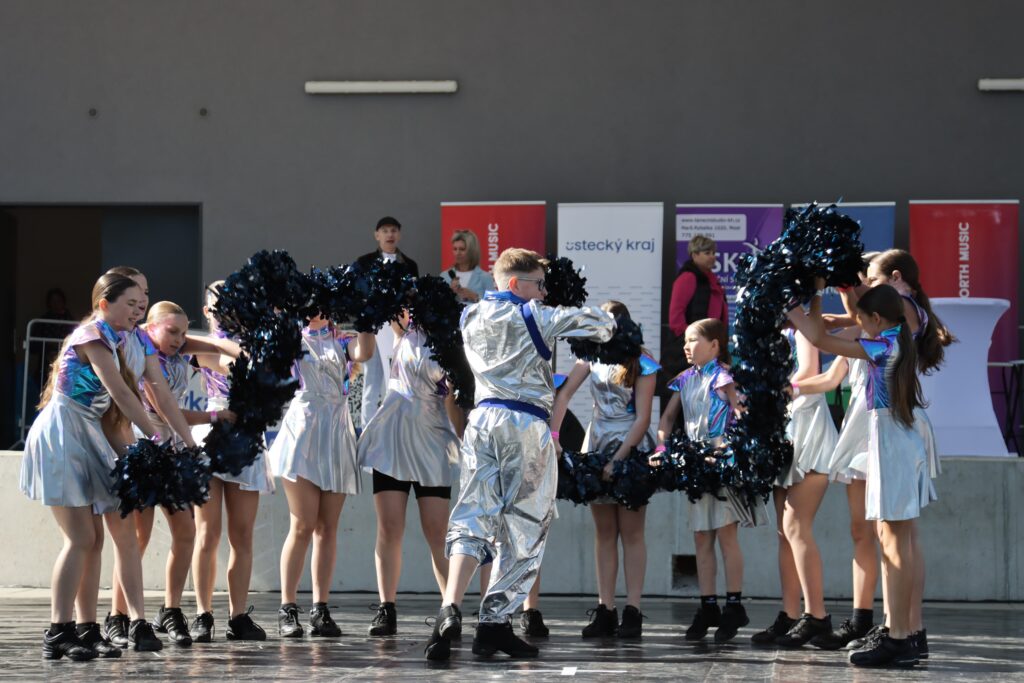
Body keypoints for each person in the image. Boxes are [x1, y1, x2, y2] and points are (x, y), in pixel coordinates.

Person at [424, 248, 615, 661]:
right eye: (539, 285)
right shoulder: (535, 315)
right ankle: (493, 622)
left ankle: (450, 607)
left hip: (481, 421)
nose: (544, 292)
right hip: (524, 425)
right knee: (524, 524)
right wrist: (574, 306)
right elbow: (604, 326)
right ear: (515, 284)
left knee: (472, 514)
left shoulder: (470, 316)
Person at [788, 282, 932, 667]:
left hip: (890, 443)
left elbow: (819, 339)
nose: (859, 325)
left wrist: (802, 302)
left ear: (877, 319)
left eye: (863, 320)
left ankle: (899, 638)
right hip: (896, 440)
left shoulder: (881, 345)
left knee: (894, 542)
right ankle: (901, 632)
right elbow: (830, 331)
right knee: (894, 540)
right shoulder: (896, 337)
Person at [21, 273, 164, 660]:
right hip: (63, 436)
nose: (138, 310)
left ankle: (86, 629)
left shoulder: (115, 341)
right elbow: (121, 394)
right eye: (130, 303)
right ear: (103, 304)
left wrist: (141, 453)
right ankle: (58, 631)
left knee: (95, 539)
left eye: (140, 303)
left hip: (85, 436)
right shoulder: (91, 336)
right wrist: (157, 438)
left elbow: (114, 416)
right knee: (80, 539)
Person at [129, 301, 239, 646]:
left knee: (186, 532)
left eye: (183, 332)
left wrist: (230, 348)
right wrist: (205, 425)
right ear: (150, 329)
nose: (178, 339)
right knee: (137, 537)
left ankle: (172, 609)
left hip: (172, 450)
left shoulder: (179, 351)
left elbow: (221, 350)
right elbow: (166, 409)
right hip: (145, 448)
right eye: (171, 332)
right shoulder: (144, 353)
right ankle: (122, 615)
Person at [551, 301, 659, 639]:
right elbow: (563, 395)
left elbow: (643, 418)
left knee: (632, 532)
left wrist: (619, 460)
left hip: (630, 444)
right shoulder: (590, 356)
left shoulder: (643, 361)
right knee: (604, 532)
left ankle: (633, 610)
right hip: (597, 441)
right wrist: (554, 437)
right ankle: (605, 609)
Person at [655, 318, 766, 643]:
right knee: (701, 537)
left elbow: (743, 414)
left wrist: (732, 450)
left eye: (693, 340)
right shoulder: (685, 379)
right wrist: (662, 448)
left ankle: (734, 604)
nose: (687, 347)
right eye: (685, 341)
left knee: (727, 536)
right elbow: (668, 418)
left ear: (715, 345)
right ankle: (708, 606)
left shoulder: (725, 377)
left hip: (721, 463)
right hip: (696, 465)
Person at [358, 309, 464, 636]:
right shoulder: (399, 333)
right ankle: (386, 608)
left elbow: (455, 407)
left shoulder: (449, 343)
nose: (409, 310)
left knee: (437, 531)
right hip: (391, 438)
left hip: (432, 443)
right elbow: (385, 308)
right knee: (389, 527)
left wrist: (462, 434)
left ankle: (450, 609)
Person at [269, 316, 375, 638]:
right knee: (302, 524)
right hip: (302, 431)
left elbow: (365, 352)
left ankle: (320, 608)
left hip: (337, 431)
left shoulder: (342, 339)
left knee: (327, 528)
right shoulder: (291, 337)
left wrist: (370, 315)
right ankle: (287, 608)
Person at [190, 282, 276, 642]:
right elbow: (235, 366)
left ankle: (238, 616)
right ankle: (203, 613)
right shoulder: (203, 344)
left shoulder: (255, 341)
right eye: (220, 304)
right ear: (207, 311)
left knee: (242, 534)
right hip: (213, 433)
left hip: (247, 438)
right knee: (207, 532)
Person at [750, 328, 837, 646]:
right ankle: (790, 614)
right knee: (784, 533)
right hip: (782, 429)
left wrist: (772, 393)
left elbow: (809, 370)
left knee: (796, 527)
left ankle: (817, 616)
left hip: (806, 427)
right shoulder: (771, 328)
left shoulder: (802, 326)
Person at [355, 216, 419, 427]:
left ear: (399, 234)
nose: (389, 234)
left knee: (398, 380)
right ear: (377, 235)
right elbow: (357, 293)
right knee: (372, 382)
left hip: (399, 329)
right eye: (385, 230)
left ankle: (395, 429)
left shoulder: (409, 265)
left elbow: (414, 297)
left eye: (393, 230)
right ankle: (368, 432)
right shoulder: (364, 263)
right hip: (373, 330)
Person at [662, 235, 728, 394]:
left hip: (711, 349)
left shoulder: (713, 280)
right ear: (694, 255)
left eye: (713, 253)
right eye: (707, 253)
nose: (712, 256)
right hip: (690, 353)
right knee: (687, 397)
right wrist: (696, 342)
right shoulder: (688, 278)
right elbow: (676, 320)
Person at [440, 230, 495, 303]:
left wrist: (475, 297)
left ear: (471, 251)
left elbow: (493, 306)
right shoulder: (444, 276)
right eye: (455, 249)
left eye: (462, 249)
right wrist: (450, 292)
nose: (457, 253)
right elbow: (438, 305)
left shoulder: (485, 277)